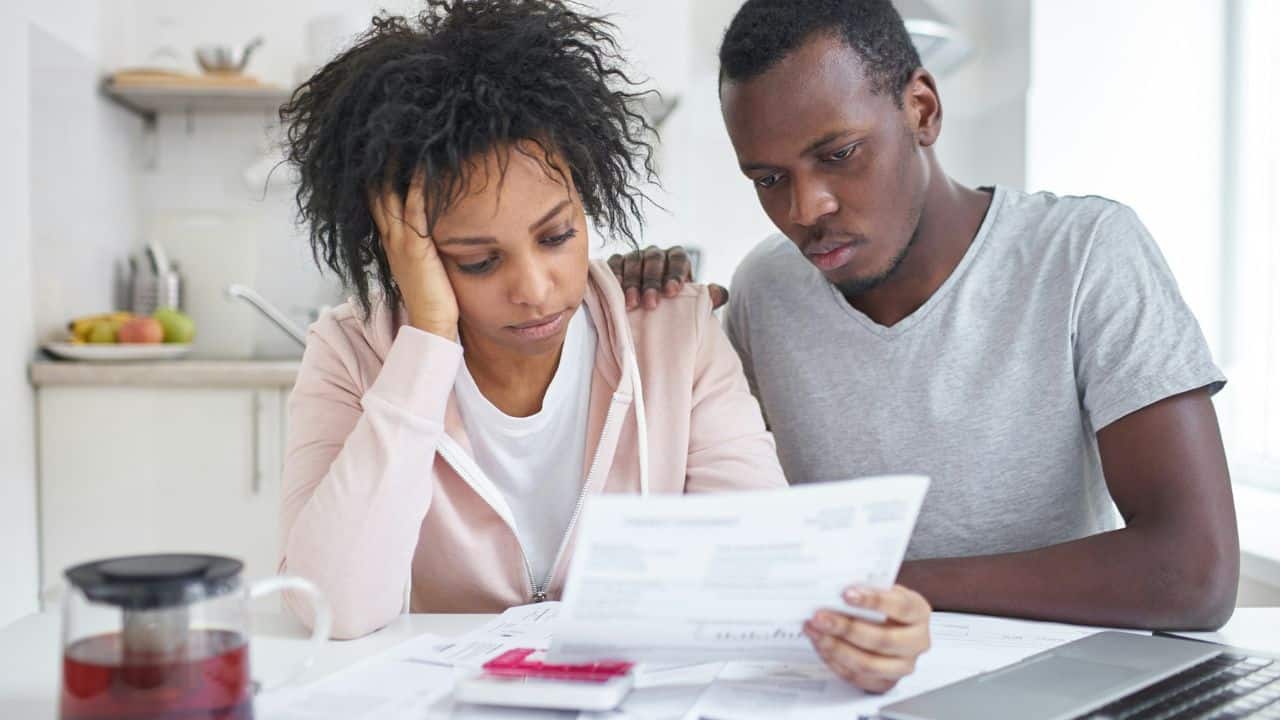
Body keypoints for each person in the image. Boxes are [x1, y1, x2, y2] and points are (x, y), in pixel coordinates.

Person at [276, 0, 931, 690]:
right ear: (408, 253)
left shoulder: (670, 333)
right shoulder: (353, 353)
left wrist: (866, 628)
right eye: (476, 261)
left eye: (556, 236)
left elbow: (759, 561)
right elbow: (333, 609)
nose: (534, 287)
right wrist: (428, 339)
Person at [613, 0, 1238, 630]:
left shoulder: (1084, 253)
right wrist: (626, 323)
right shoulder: (765, 289)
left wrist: (875, 587)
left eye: (839, 154)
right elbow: (713, 525)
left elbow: (1193, 573)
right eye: (770, 179)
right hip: (841, 680)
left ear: (922, 110)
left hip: (1049, 677)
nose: (807, 208)